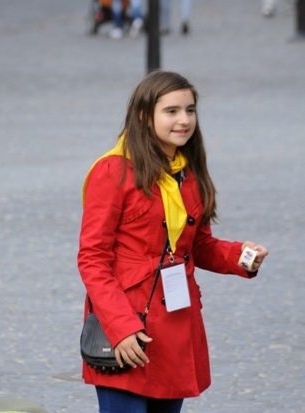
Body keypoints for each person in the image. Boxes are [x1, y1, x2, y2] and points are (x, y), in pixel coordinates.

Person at [77, 70, 268, 412]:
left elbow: (198, 246)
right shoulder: (113, 172)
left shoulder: (188, 170)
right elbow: (92, 258)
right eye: (172, 111)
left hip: (175, 325)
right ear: (144, 116)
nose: (184, 120)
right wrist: (121, 328)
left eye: (190, 110)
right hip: (128, 328)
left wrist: (242, 257)